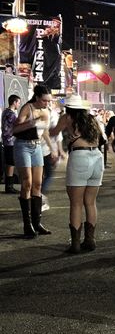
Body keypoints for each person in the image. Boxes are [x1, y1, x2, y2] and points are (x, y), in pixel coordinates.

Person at [55, 94, 105, 253]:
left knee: (76, 203)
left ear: (68, 107)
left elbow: (53, 131)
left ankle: (75, 244)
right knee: (90, 202)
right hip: (97, 157)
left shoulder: (67, 118)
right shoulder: (92, 119)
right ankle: (90, 241)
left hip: (80, 157)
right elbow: (102, 138)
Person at [12, 84, 56, 238]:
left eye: (48, 101)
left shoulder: (47, 111)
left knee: (38, 183)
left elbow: (45, 132)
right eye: (44, 101)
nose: (47, 103)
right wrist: (31, 122)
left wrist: (52, 149)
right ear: (37, 98)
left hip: (37, 147)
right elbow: (14, 129)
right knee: (27, 183)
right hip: (23, 146)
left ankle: (37, 223)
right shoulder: (27, 108)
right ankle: (27, 224)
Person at [1, 94, 21, 194]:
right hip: (10, 141)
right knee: (11, 163)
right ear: (14, 102)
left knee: (10, 163)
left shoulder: (5, 111)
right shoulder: (11, 114)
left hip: (6, 141)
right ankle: (9, 187)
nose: (19, 104)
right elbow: (17, 125)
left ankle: (9, 186)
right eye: (18, 102)